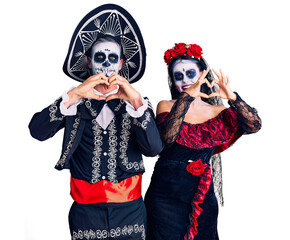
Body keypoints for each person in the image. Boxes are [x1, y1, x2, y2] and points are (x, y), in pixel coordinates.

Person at [29, 4, 162, 240]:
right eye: (100, 57)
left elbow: (153, 149)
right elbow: (37, 131)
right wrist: (74, 95)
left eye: (113, 58)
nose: (107, 64)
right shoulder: (74, 103)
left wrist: (136, 101)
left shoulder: (137, 104)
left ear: (121, 64)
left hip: (130, 212)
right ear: (89, 62)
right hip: (85, 213)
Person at [144, 43, 262, 240]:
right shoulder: (166, 106)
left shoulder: (219, 113)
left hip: (202, 195)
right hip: (164, 196)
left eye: (190, 73)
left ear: (202, 75)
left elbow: (254, 125)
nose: (185, 81)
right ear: (173, 82)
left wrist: (232, 98)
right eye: (178, 76)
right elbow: (168, 138)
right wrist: (187, 98)